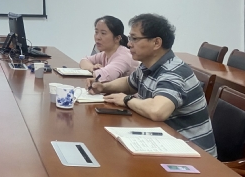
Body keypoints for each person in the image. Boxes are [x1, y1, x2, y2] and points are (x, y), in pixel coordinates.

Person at [88, 13, 217, 156]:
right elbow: (129, 83)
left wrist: (126, 100)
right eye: (130, 38)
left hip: (194, 153)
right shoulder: (147, 65)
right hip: (165, 140)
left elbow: (157, 111)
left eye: (135, 39)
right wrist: (104, 87)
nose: (129, 43)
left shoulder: (173, 72)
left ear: (156, 43)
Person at [79, 16, 140, 82]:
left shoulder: (123, 56)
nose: (97, 37)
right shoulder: (105, 53)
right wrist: (91, 67)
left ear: (117, 38)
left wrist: (95, 70)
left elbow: (103, 76)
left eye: (103, 33)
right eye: (96, 32)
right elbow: (84, 60)